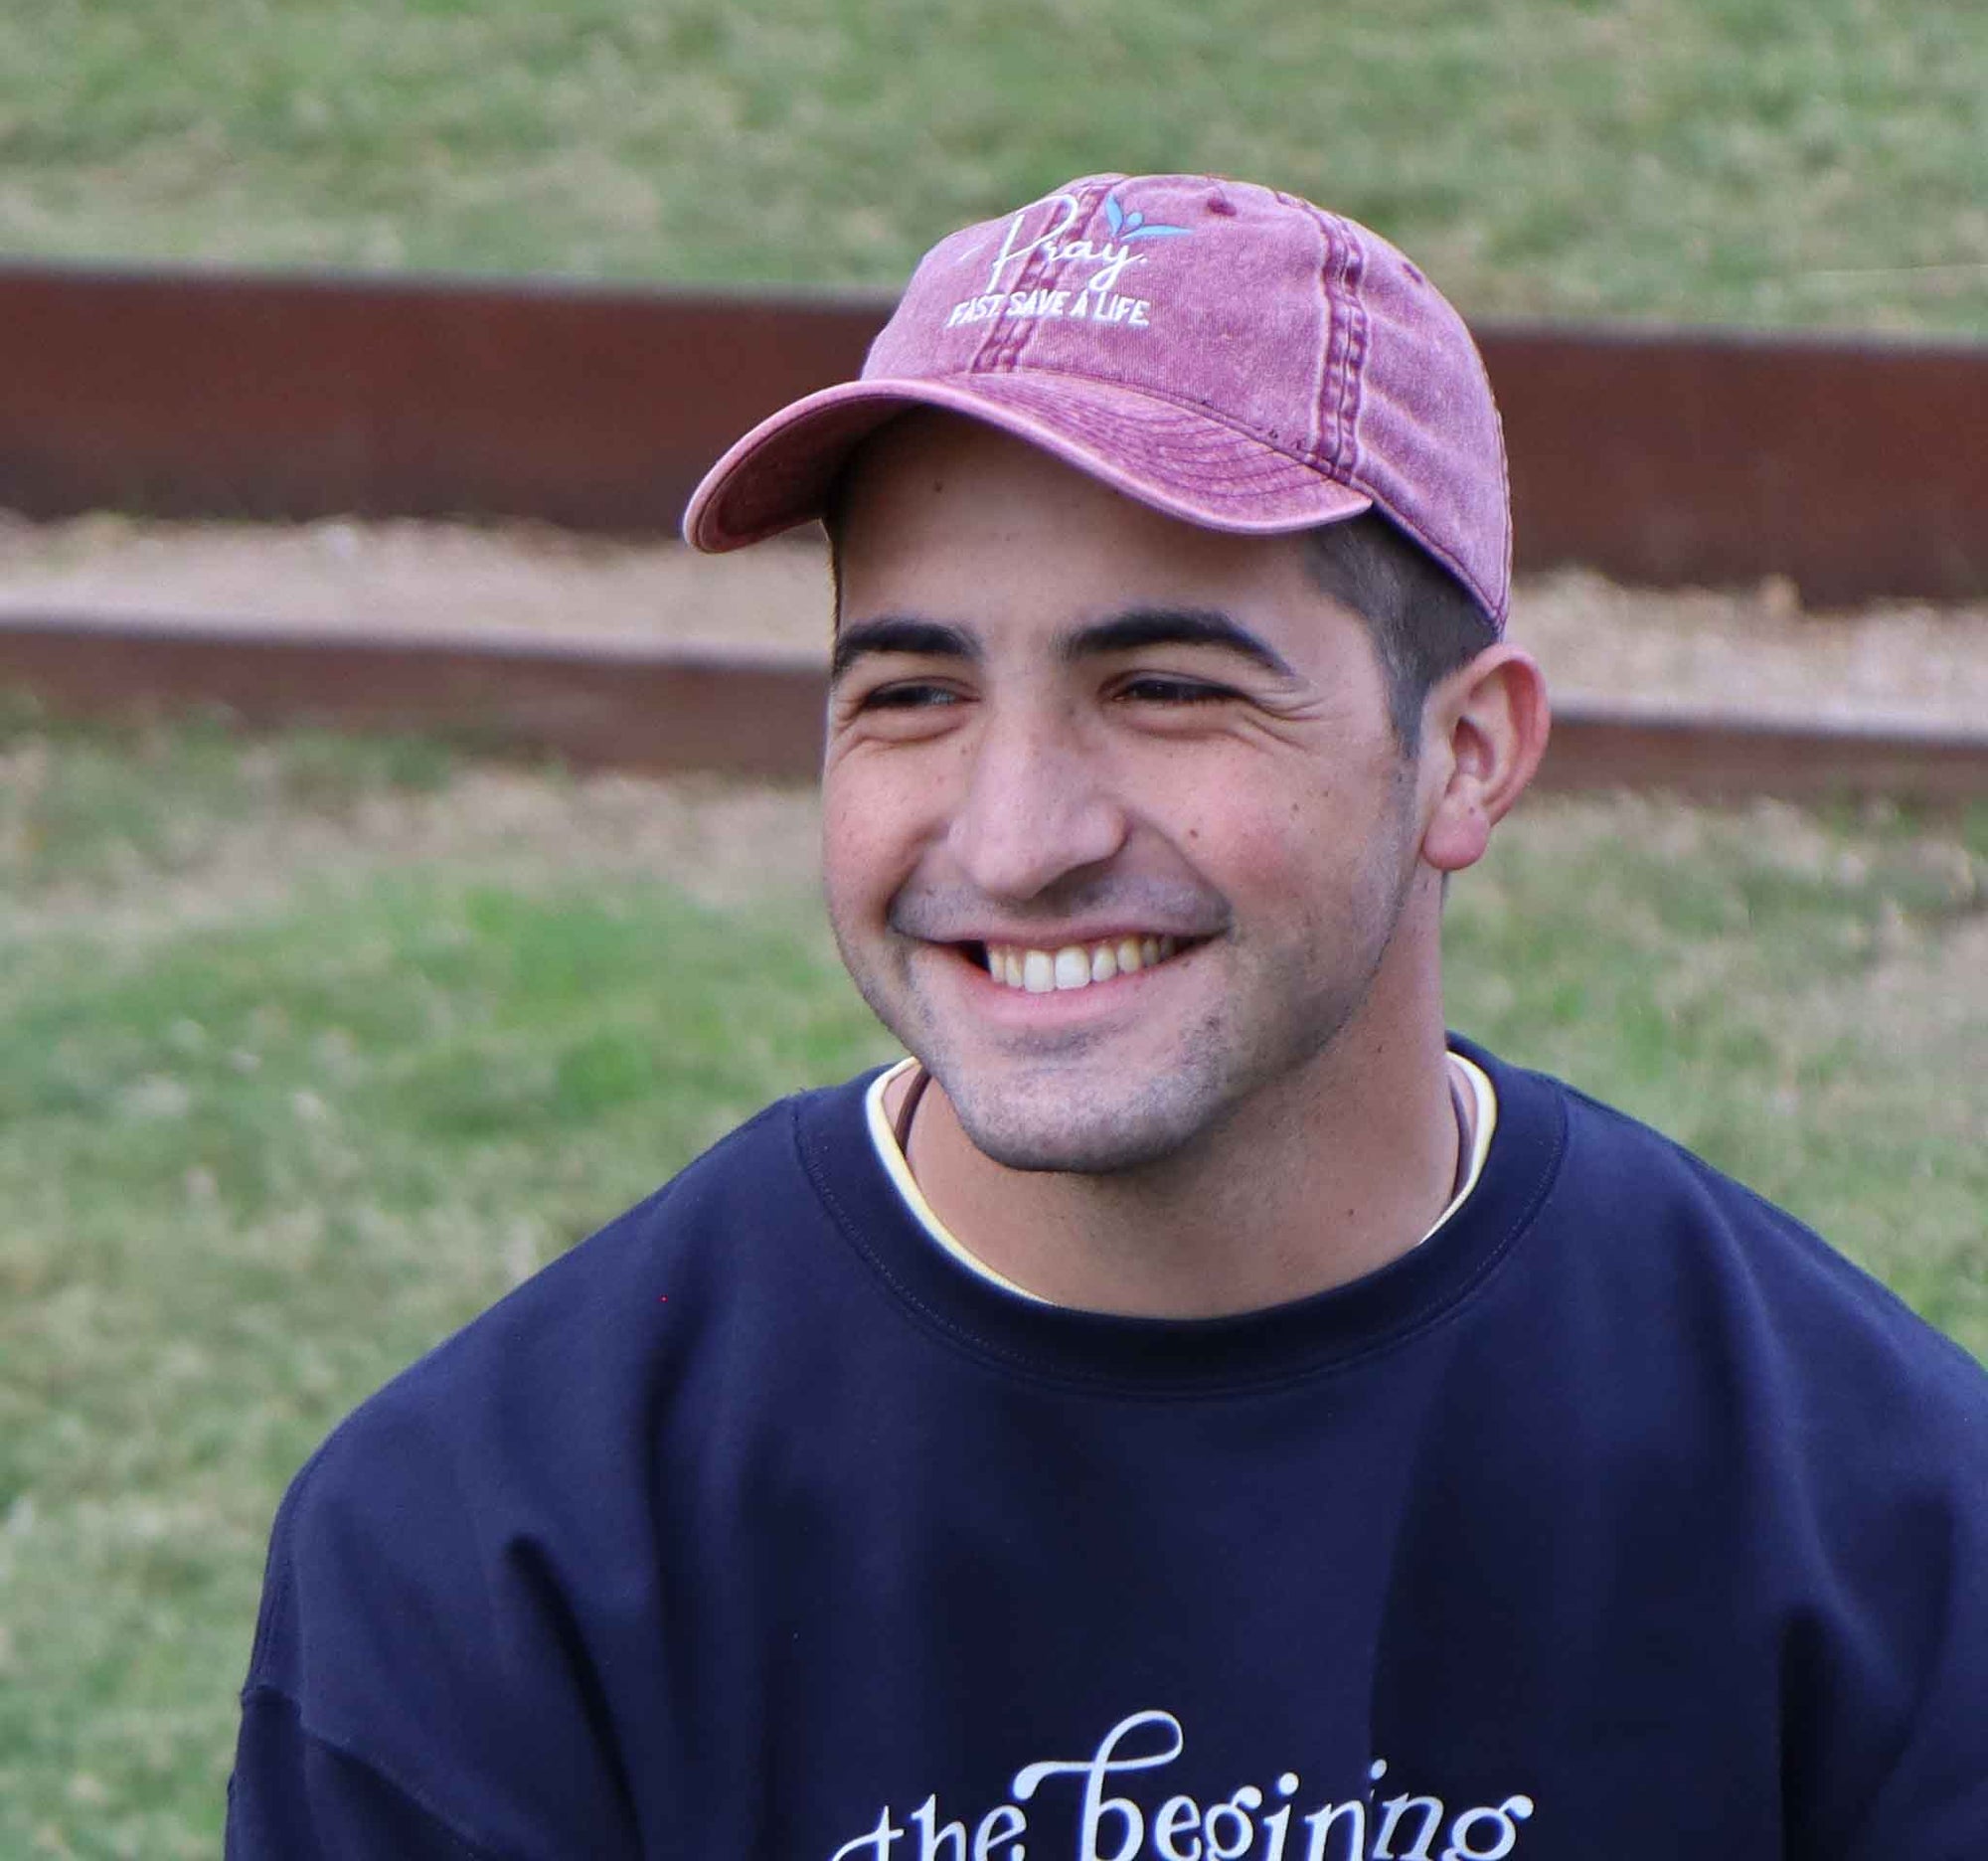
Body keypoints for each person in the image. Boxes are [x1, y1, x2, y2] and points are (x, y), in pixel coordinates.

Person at [227, 174, 1988, 1859]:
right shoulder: (490, 1546)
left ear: (1465, 753)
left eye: (1161, 688)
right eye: (912, 694)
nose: (1014, 837)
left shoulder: (1880, 1524)